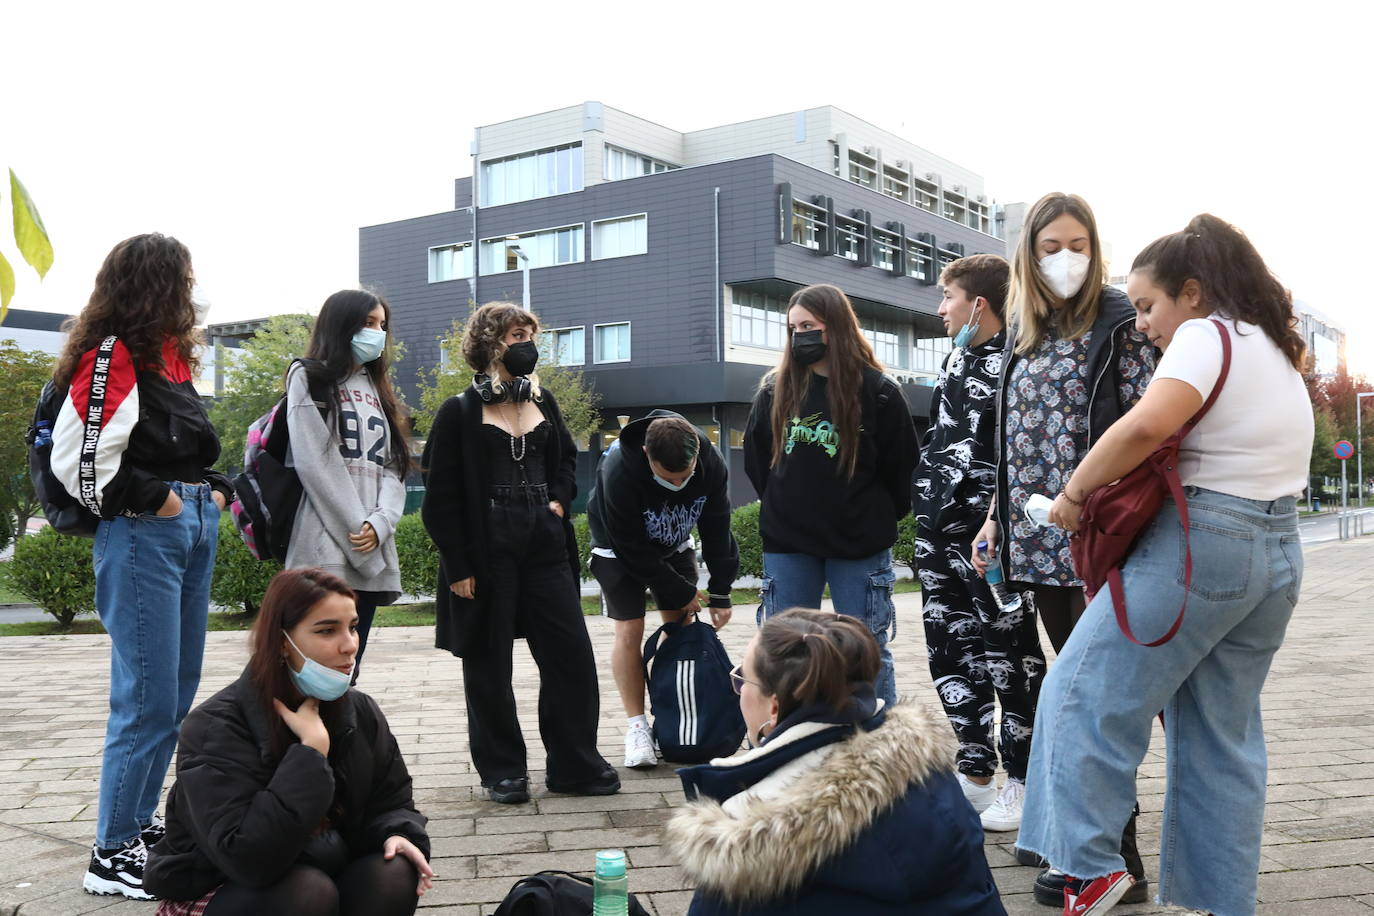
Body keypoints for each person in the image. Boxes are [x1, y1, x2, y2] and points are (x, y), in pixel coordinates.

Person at [1018, 215, 1313, 916]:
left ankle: (1087, 867)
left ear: (1192, 292)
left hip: (1205, 542)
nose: (1142, 323)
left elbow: (1146, 423)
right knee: (1222, 737)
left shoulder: (1206, 335)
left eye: (1148, 306)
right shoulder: (1271, 346)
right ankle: (1220, 900)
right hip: (1276, 553)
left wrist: (1073, 492)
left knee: (1079, 693)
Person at [969, 193, 1155, 895]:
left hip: (1098, 534)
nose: (1065, 257)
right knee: (1069, 691)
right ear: (1029, 253)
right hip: (1039, 542)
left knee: (1096, 697)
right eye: (1050, 246)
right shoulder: (1022, 330)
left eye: (1077, 243)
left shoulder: (1117, 321)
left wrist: (1092, 501)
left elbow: (1140, 424)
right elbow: (1012, 441)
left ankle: (1114, 856)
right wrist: (996, 515)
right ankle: (1072, 836)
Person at [49, 234, 232, 900]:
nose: (191, 287)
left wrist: (212, 490)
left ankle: (134, 824)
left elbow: (183, 445)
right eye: (183, 275)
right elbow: (82, 459)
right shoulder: (111, 355)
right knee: (147, 699)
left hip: (186, 522)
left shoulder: (171, 359)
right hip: (141, 532)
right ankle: (111, 850)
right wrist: (154, 500)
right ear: (156, 282)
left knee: (173, 697)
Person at [668, 609, 1006, 915]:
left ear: (774, 707)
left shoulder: (746, 847)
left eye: (743, 678)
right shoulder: (933, 778)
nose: (739, 689)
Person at [144, 567, 434, 915]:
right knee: (308, 891)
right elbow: (248, 858)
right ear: (283, 641)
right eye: (327, 630)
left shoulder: (359, 709)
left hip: (324, 866)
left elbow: (392, 801)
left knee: (393, 869)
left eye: (353, 627)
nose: (349, 645)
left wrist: (398, 833)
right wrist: (310, 754)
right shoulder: (214, 726)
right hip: (225, 884)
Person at [421, 302, 617, 804]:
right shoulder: (459, 411)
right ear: (490, 343)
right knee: (488, 664)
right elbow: (439, 495)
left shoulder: (544, 401)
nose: (527, 341)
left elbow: (568, 459)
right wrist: (457, 564)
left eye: (531, 332)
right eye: (516, 333)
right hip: (487, 551)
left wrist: (558, 497)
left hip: (544, 545)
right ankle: (502, 770)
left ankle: (575, 764)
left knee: (571, 656)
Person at [914, 254, 1046, 833]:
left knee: (1009, 655)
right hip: (937, 534)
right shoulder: (955, 358)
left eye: (948, 296)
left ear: (979, 303)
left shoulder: (1018, 365)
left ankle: (1022, 780)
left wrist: (996, 523)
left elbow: (1017, 460)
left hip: (988, 541)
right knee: (949, 650)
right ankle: (975, 769)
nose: (941, 308)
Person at [744, 284, 919, 707]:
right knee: (784, 654)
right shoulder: (775, 390)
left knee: (866, 650)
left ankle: (877, 748)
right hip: (788, 545)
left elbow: (904, 472)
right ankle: (794, 743)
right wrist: (789, 506)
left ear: (836, 328)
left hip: (858, 546)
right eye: (793, 328)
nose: (799, 335)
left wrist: (868, 516)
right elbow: (757, 462)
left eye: (809, 326)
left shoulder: (879, 391)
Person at [587, 411, 739, 768]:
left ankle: (673, 716)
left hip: (675, 544)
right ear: (646, 454)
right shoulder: (619, 470)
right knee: (630, 628)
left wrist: (721, 591)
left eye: (685, 477)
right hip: (618, 550)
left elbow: (718, 528)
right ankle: (637, 727)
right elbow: (630, 549)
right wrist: (677, 588)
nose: (678, 484)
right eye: (668, 478)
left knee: (682, 628)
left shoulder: (711, 464)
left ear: (697, 457)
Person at [287, 289, 410, 681]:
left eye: (382, 325)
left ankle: (339, 743)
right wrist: (359, 528)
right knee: (313, 676)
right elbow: (316, 463)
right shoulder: (309, 376)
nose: (378, 332)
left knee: (347, 671)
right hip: (325, 548)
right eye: (369, 323)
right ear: (342, 325)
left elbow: (394, 468)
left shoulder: (379, 391)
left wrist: (381, 523)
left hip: (370, 545)